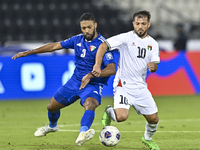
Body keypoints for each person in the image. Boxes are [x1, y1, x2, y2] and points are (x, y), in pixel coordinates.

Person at [12, 12, 116, 146]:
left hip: (93, 85)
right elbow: (54, 46)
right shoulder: (77, 40)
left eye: (89, 27)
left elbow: (112, 69)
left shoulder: (103, 45)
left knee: (90, 104)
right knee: (51, 107)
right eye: (83, 28)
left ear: (95, 25)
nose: (87, 30)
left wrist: (93, 74)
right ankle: (52, 126)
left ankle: (83, 133)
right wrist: (28, 52)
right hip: (74, 82)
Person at [92, 10, 160, 150]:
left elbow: (155, 65)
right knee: (121, 117)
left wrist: (153, 67)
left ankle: (147, 139)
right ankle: (109, 111)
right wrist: (97, 65)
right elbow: (103, 45)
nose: (140, 26)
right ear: (133, 24)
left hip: (140, 87)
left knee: (154, 120)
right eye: (137, 23)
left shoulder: (153, 44)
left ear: (148, 24)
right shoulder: (126, 38)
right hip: (123, 85)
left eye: (143, 24)